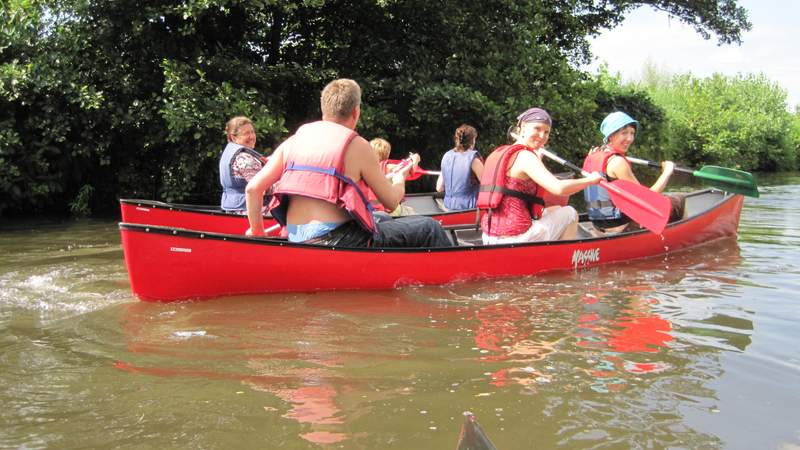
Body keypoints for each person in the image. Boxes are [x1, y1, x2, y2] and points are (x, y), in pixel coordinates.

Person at [244, 78, 453, 248]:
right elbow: (391, 202)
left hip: (295, 235)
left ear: (324, 108)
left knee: (381, 218)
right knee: (429, 227)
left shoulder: (295, 139)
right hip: (338, 238)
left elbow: (253, 189)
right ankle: (449, 285)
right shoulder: (358, 145)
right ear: (356, 112)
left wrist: (258, 232)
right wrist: (399, 179)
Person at [478, 107, 602, 244]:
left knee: (557, 209)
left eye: (546, 132)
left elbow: (517, 185)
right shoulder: (526, 157)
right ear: (523, 127)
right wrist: (590, 180)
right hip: (515, 237)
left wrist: (537, 159)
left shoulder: (501, 152)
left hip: (489, 235)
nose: (542, 136)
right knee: (570, 213)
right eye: (537, 129)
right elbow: (559, 189)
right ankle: (563, 260)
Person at [582, 111, 685, 233]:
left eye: (632, 133)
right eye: (624, 133)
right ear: (611, 136)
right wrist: (667, 172)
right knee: (678, 200)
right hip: (617, 223)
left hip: (597, 221)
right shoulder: (618, 163)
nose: (630, 138)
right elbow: (647, 199)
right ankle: (680, 237)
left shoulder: (592, 155)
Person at [219, 116, 266, 212]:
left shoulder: (230, 153)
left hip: (233, 207)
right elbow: (262, 186)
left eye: (252, 132)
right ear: (233, 137)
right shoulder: (243, 158)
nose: (252, 137)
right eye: (246, 133)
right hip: (247, 210)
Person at [436, 124, 484, 210]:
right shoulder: (474, 159)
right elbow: (487, 185)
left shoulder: (446, 156)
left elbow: (439, 188)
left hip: (448, 207)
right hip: (469, 208)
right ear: (473, 140)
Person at [367, 137, 418, 217]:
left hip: (369, 209)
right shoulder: (390, 167)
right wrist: (415, 159)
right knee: (410, 211)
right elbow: (412, 170)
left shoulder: (364, 168)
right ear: (387, 153)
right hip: (388, 210)